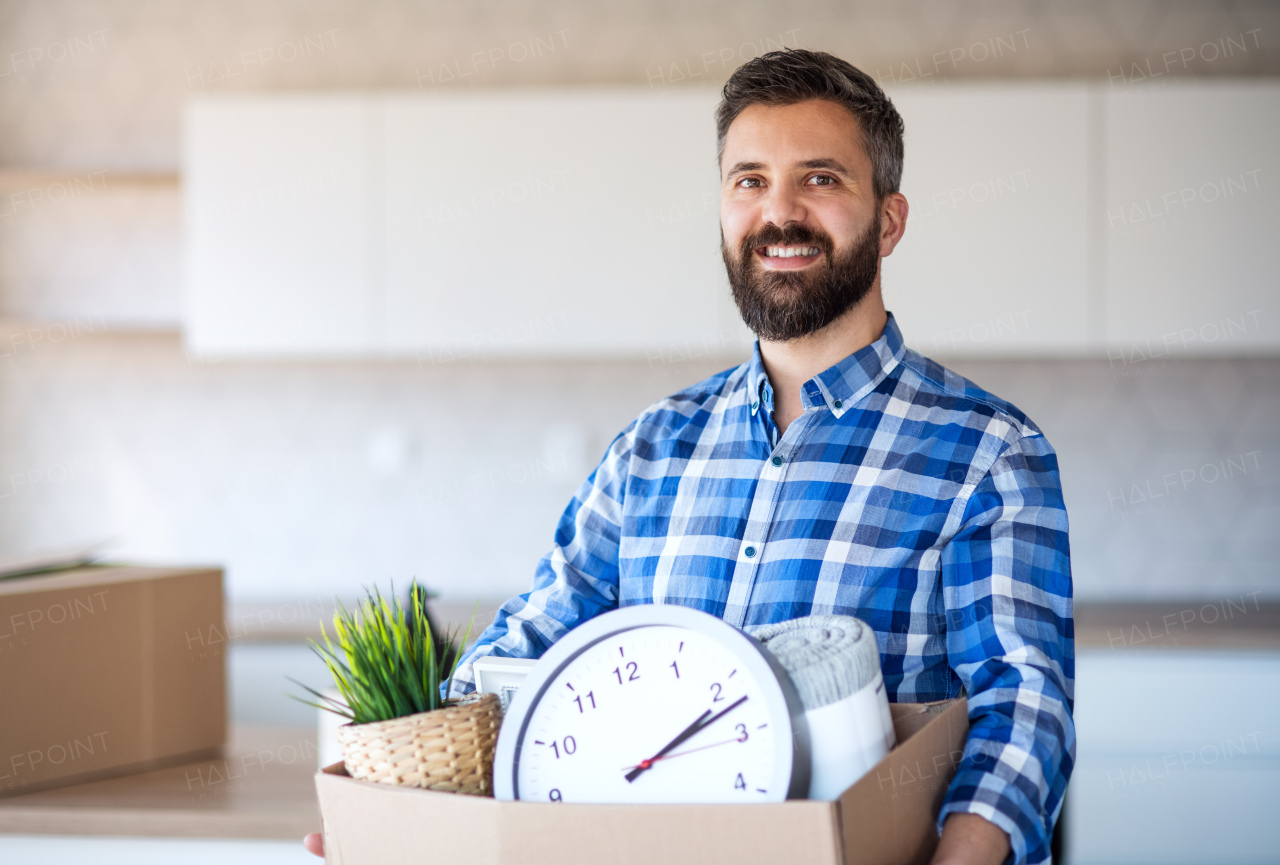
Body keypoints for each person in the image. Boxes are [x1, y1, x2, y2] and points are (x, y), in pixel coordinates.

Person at [305, 48, 1074, 865]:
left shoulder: (987, 453)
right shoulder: (650, 449)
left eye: (820, 179)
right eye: (750, 181)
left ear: (888, 219)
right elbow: (527, 647)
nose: (779, 214)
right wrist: (393, 811)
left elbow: (1023, 709)